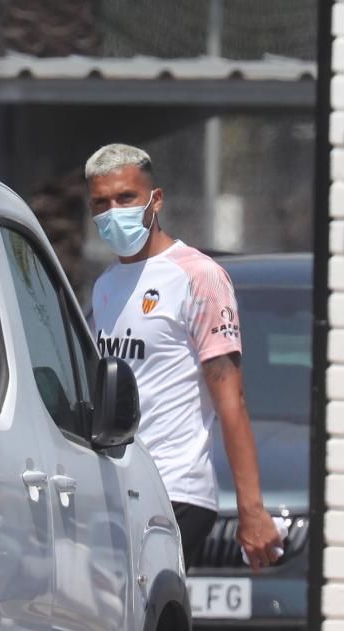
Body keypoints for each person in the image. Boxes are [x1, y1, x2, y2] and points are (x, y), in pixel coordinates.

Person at [85, 143, 281, 572]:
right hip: (116, 486)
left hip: (174, 489)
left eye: (125, 198)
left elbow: (232, 401)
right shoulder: (104, 287)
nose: (112, 211)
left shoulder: (199, 276)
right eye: (101, 202)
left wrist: (252, 510)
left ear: (155, 200)